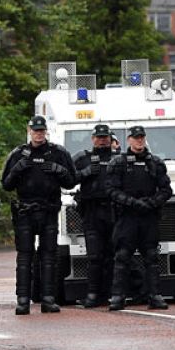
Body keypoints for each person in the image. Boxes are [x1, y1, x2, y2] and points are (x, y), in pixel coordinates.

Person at [1, 115, 76, 314]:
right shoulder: (18, 154)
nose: (39, 134)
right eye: (35, 131)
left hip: (49, 210)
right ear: (29, 131)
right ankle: (23, 300)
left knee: (49, 256)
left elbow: (72, 181)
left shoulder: (58, 153)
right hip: (25, 212)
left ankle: (48, 299)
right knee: (24, 257)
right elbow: (6, 185)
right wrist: (17, 170)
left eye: (41, 131)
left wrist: (59, 170)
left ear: (46, 131)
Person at [105, 125, 172, 311]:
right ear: (129, 140)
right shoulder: (118, 163)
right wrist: (132, 202)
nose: (139, 140)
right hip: (127, 217)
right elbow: (111, 190)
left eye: (141, 137)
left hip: (148, 217)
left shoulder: (155, 163)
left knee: (151, 257)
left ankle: (155, 296)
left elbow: (166, 190)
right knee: (122, 257)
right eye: (136, 138)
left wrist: (152, 202)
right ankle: (118, 297)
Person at [71, 123, 117, 307]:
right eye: (99, 137)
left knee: (113, 256)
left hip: (114, 212)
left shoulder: (119, 158)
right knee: (94, 256)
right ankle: (92, 294)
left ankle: (111, 294)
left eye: (105, 137)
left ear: (110, 139)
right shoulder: (83, 158)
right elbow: (68, 179)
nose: (102, 140)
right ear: (93, 139)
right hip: (92, 212)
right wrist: (85, 173)